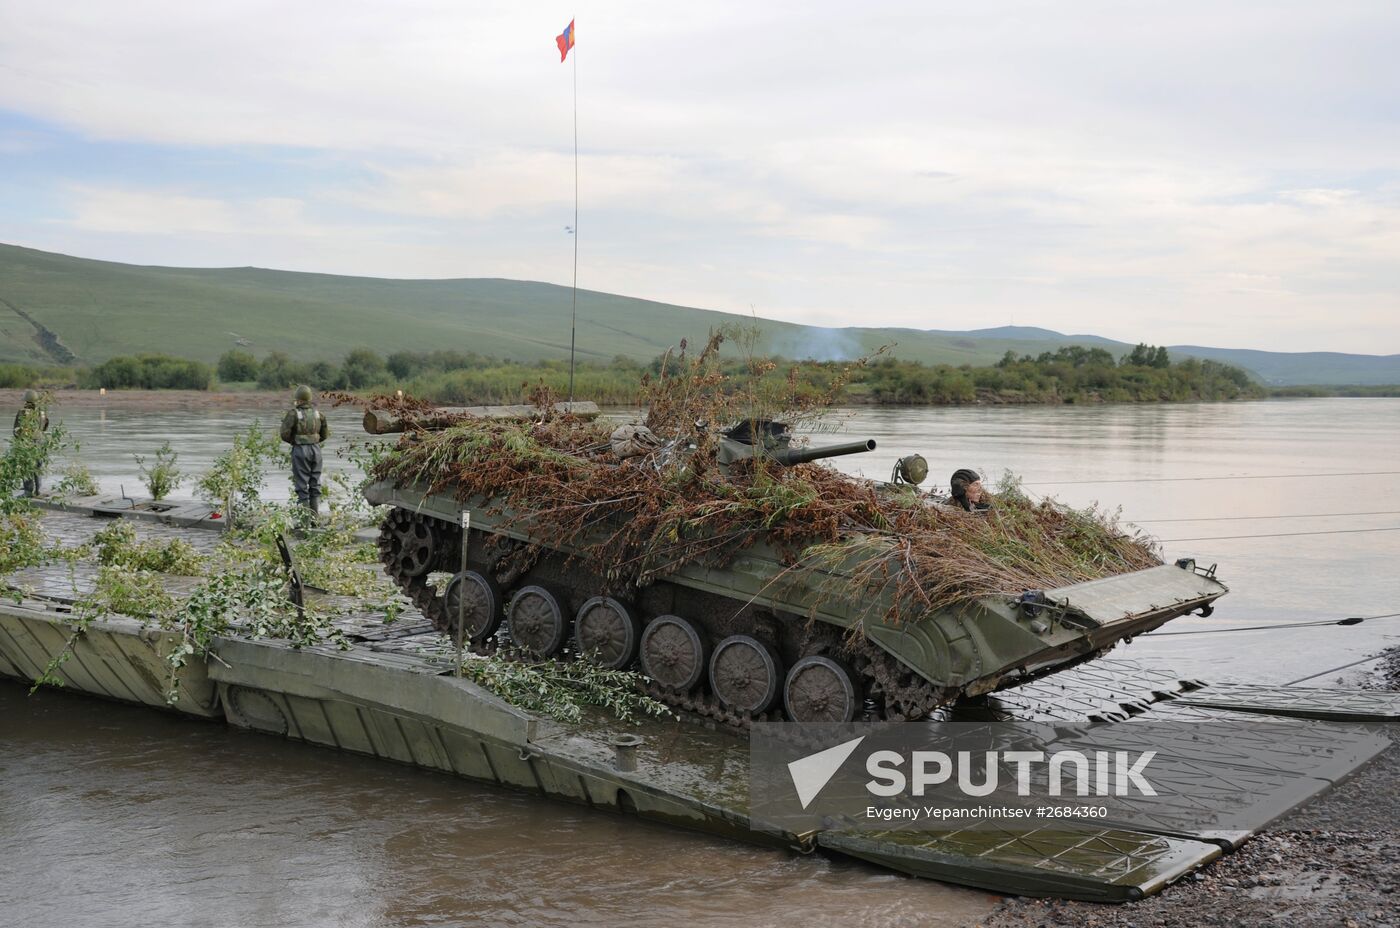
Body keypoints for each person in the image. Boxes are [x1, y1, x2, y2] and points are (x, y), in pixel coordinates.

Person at [280, 384, 329, 513]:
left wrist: (295, 441)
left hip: (300, 450)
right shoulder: (319, 414)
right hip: (316, 450)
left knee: (301, 484)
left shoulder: (293, 414)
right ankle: (315, 518)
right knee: (315, 482)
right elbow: (325, 435)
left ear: (298, 399)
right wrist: (314, 442)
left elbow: (284, 434)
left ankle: (305, 521)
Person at [12, 389, 50, 497]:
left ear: (25, 400)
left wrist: (19, 442)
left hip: (27, 442)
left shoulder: (22, 412)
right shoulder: (42, 412)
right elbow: (44, 427)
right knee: (38, 466)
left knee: (26, 465)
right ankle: (39, 491)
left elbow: (16, 430)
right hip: (40, 441)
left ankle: (28, 491)